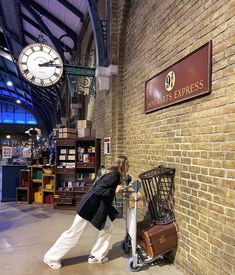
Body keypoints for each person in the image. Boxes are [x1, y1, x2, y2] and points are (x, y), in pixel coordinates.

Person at [43, 155, 130, 269]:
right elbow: (98, 190)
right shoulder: (114, 175)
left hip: (95, 206)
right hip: (89, 207)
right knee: (73, 234)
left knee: (108, 227)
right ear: (122, 165)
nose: (129, 166)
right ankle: (51, 257)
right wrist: (114, 190)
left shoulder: (112, 173)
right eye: (128, 164)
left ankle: (96, 256)